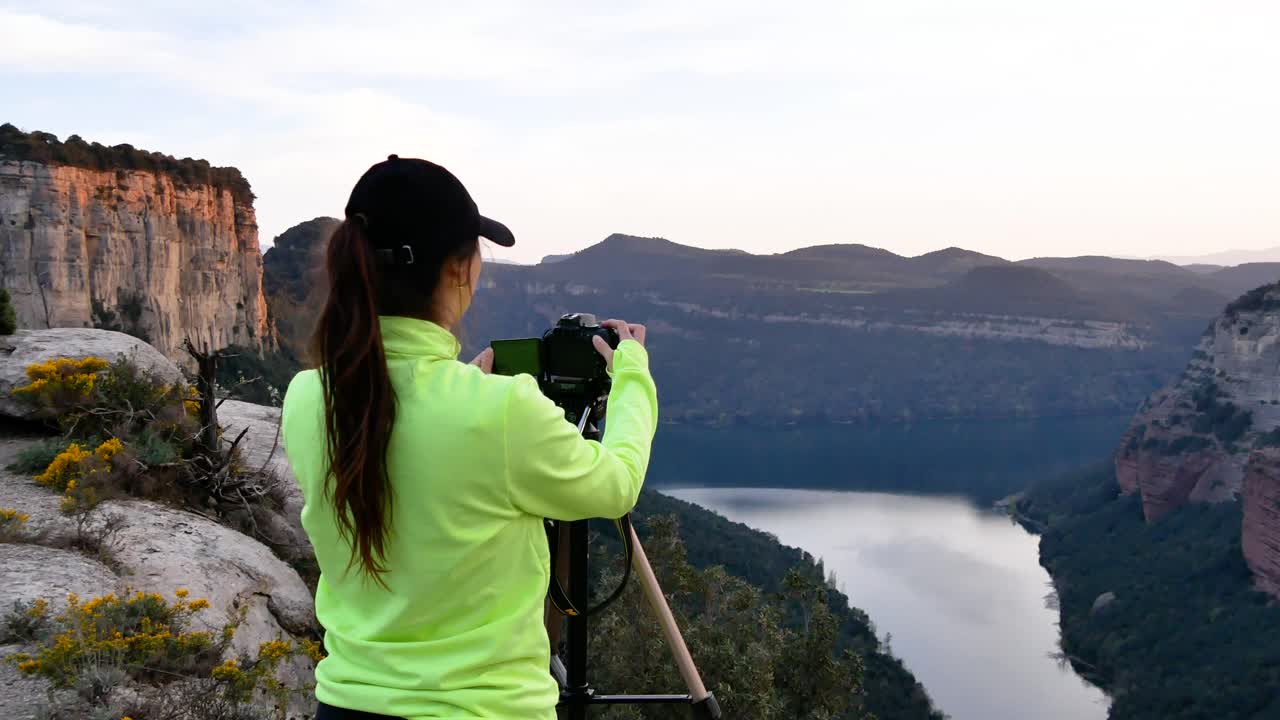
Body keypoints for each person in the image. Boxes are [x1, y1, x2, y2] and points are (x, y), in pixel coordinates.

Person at [281, 155, 658, 720]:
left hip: (347, 706)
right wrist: (632, 375)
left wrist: (462, 389)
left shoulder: (308, 397)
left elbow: (406, 438)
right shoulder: (499, 411)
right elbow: (617, 484)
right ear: (458, 270)